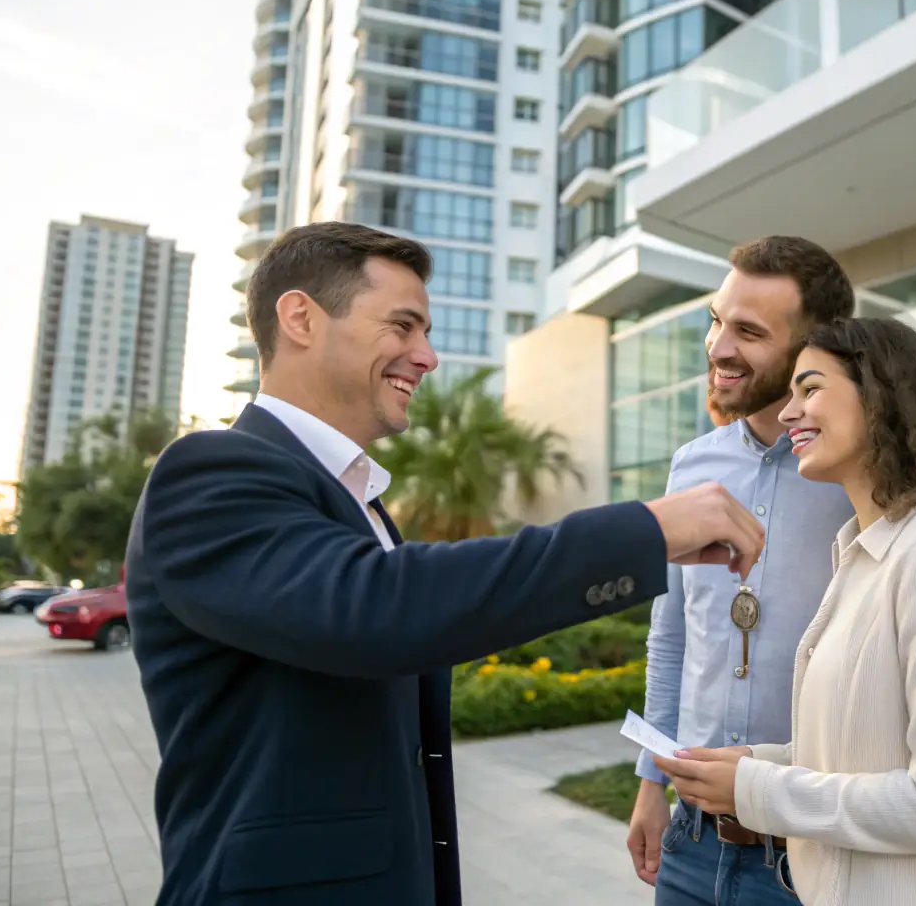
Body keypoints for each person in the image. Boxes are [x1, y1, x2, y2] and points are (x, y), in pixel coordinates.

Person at [125, 223, 765, 906]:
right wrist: (641, 531)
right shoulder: (209, 472)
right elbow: (377, 609)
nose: (426, 356)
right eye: (402, 326)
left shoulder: (356, 500)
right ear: (301, 317)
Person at [655, 316, 916, 906]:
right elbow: (859, 754)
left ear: (879, 397)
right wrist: (756, 761)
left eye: (811, 389)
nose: (787, 412)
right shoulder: (861, 550)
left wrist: (757, 788)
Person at [627, 237, 857, 906]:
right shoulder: (690, 464)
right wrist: (650, 783)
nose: (719, 346)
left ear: (813, 348)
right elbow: (672, 637)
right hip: (690, 843)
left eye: (749, 332)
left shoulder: (858, 477)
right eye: (716, 320)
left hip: (810, 855)